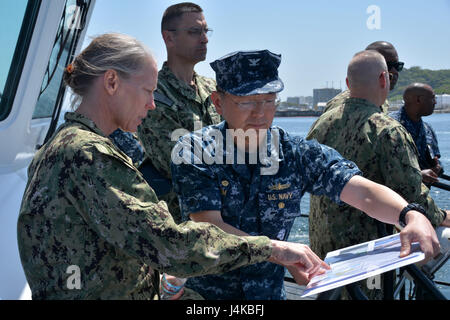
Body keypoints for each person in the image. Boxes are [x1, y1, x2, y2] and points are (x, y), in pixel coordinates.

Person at [16, 33, 331, 300]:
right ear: (111, 81)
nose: (152, 104)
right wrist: (273, 249)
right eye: (148, 91)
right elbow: (171, 244)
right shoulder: (87, 155)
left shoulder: (60, 145)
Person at [171, 49, 441, 300]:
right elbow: (209, 227)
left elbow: (361, 192)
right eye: (247, 103)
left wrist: (410, 214)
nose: (260, 113)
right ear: (218, 103)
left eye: (268, 101)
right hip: (206, 298)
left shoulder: (294, 152)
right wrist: (279, 252)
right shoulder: (195, 151)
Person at [307, 50, 449, 298]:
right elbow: (415, 200)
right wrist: (444, 215)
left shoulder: (322, 123)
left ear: (348, 84)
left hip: (323, 252)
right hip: (366, 257)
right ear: (384, 79)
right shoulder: (387, 130)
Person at [137, 2, 221, 224]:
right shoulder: (153, 95)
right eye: (194, 32)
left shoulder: (213, 89)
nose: (204, 39)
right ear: (169, 38)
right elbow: (181, 164)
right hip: (178, 229)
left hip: (220, 223)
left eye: (205, 31)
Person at [324, 41, 403, 114]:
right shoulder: (341, 105)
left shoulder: (382, 101)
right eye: (387, 66)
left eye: (397, 66)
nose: (394, 71)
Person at [390, 83, 443, 185]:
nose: (435, 102)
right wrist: (418, 175)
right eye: (432, 98)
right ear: (419, 100)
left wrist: (437, 168)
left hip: (420, 195)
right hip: (395, 195)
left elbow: (434, 159)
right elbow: (384, 166)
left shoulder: (427, 129)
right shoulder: (391, 126)